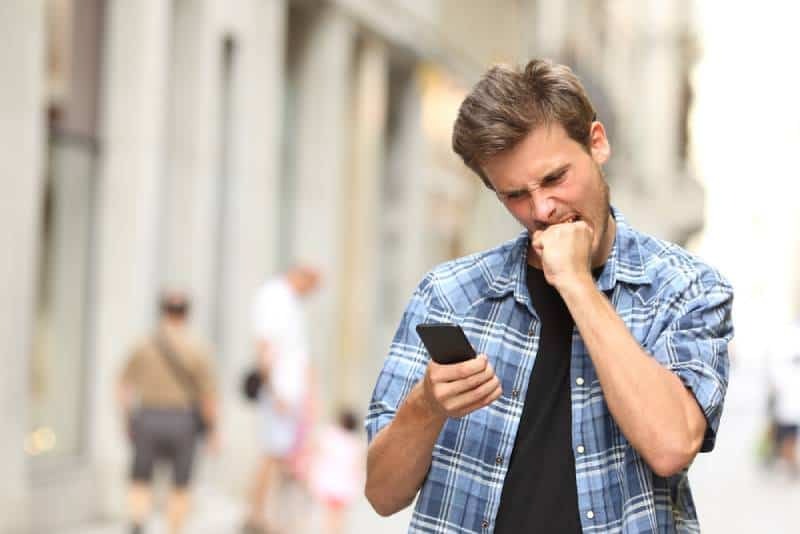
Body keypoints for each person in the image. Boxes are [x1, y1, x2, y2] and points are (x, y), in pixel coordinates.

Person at [365, 59, 734, 533]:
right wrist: (427, 406)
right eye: (515, 195)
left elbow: (671, 445)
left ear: (596, 143)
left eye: (555, 178)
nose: (541, 209)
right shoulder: (451, 294)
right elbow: (382, 494)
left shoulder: (687, 289)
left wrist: (576, 282)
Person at [118, 291, 218, 534]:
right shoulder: (197, 348)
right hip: (182, 420)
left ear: (162, 311)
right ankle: (173, 529)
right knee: (180, 482)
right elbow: (208, 396)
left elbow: (122, 386)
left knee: (140, 476)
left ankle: (138, 518)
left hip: (147, 416)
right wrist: (213, 430)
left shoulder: (143, 345)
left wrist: (128, 418)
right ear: (187, 313)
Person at [243, 265, 321, 534]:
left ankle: (268, 516)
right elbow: (265, 346)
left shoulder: (289, 301)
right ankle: (258, 515)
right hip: (281, 392)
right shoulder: (274, 297)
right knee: (274, 455)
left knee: (284, 456)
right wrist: (274, 390)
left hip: (291, 391)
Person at [309, 410, 366, 534]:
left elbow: (315, 446)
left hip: (328, 485)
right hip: (345, 489)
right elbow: (359, 467)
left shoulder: (330, 435)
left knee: (328, 516)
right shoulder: (356, 444)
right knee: (339, 518)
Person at [765, 321, 800, 477]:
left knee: (789, 432)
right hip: (787, 398)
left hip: (789, 398)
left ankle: (788, 463)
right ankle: (788, 463)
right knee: (787, 433)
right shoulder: (786, 341)